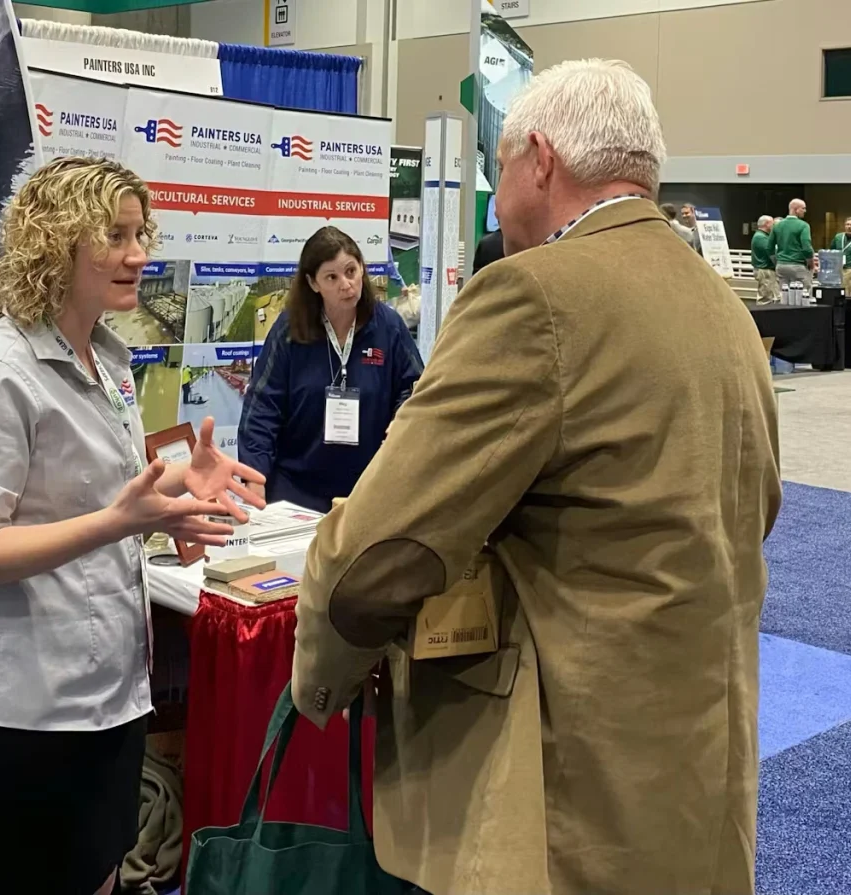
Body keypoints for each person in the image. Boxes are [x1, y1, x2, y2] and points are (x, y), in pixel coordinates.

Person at [290, 58, 781, 895]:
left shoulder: (533, 297)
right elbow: (758, 502)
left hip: (567, 787)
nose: (496, 188)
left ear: (540, 160)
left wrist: (317, 678)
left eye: (500, 166)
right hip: (704, 771)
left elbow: (378, 552)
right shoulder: (722, 305)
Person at [0, 157, 266, 895]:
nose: (139, 253)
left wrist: (174, 485)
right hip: (25, 717)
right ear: (57, 241)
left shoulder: (107, 359)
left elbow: (97, 496)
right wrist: (119, 520)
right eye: (115, 235)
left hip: (109, 696)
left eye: (141, 232)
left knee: (102, 875)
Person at [238, 226, 423, 513]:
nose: (346, 284)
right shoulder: (290, 330)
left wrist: (402, 419)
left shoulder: (388, 327)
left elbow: (414, 389)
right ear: (313, 283)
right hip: (294, 492)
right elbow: (262, 407)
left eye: (351, 271)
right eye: (332, 277)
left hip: (369, 489)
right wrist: (255, 480)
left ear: (362, 268)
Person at [770, 198, 815, 290]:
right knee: (804, 294)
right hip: (798, 265)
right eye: (803, 208)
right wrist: (811, 263)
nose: (805, 211)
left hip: (781, 266)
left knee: (784, 295)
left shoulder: (777, 226)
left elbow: (769, 247)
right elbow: (806, 247)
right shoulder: (803, 225)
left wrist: (777, 261)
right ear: (796, 209)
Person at [751, 215, 780, 301]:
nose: (774, 226)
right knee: (766, 297)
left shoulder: (763, 236)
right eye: (772, 223)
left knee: (771, 295)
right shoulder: (761, 237)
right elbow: (771, 252)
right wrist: (778, 265)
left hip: (766, 271)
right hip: (765, 271)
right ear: (767, 224)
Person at [831, 216, 851, 296]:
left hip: (849, 269)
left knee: (845, 293)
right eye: (847, 224)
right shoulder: (838, 237)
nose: (849, 227)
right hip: (836, 269)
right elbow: (832, 250)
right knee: (834, 292)